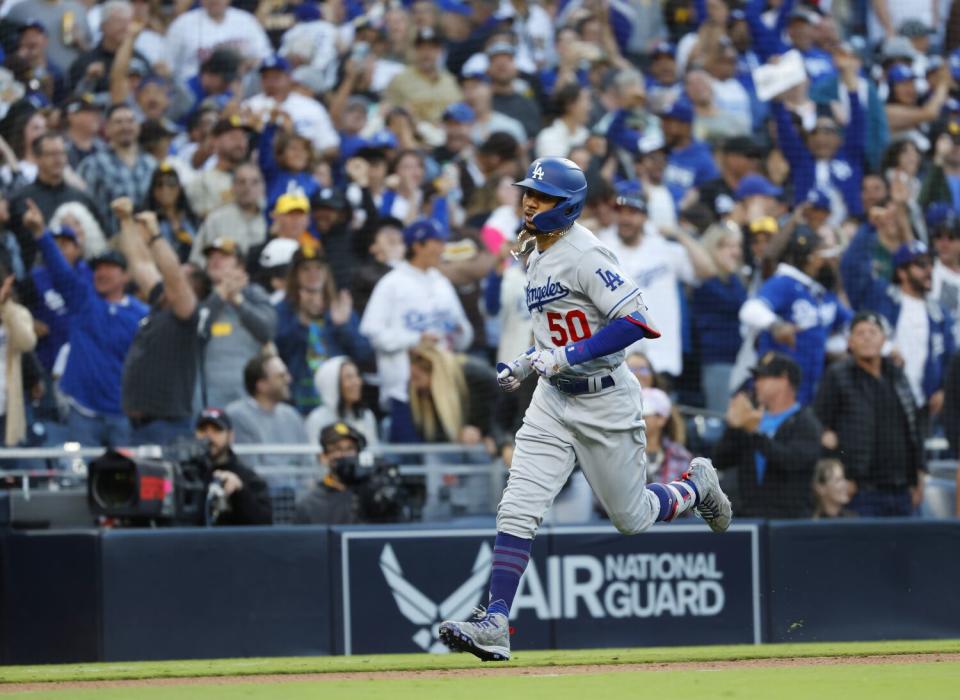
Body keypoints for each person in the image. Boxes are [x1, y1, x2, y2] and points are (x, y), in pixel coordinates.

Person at [438, 157, 731, 662]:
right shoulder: (534, 249)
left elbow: (637, 321)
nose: (530, 201)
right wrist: (529, 362)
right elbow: (558, 331)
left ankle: (694, 487)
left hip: (605, 398)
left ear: (567, 205)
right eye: (529, 192)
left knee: (631, 517)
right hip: (553, 400)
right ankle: (495, 622)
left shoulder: (585, 253)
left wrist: (564, 355)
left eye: (542, 196)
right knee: (517, 507)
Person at [25, 199, 147, 447]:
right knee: (80, 478)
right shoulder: (83, 300)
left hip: (122, 411)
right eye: (97, 268)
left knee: (122, 479)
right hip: (82, 410)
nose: (100, 273)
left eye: (109, 268)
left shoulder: (141, 314)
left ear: (125, 275)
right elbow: (61, 270)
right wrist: (41, 233)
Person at [813, 311, 925, 517]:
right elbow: (819, 427)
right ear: (850, 342)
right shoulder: (837, 375)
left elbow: (913, 426)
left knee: (908, 548)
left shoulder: (897, 375)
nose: (866, 337)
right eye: (860, 332)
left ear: (884, 340)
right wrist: (843, 477)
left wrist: (919, 473)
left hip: (902, 488)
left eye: (873, 332)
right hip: (861, 490)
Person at [359, 218, 473, 409]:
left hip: (444, 387)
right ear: (418, 246)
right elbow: (372, 333)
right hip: (403, 390)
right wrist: (415, 339)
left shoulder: (441, 283)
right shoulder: (391, 283)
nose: (441, 248)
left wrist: (459, 332)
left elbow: (463, 333)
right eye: (436, 242)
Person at [116, 200, 201, 447]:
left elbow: (172, 273)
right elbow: (140, 263)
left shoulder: (186, 315)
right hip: (139, 426)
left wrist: (155, 237)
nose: (167, 276)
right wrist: (126, 221)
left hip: (167, 428)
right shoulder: (160, 304)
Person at [714, 352, 823, 519]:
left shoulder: (805, 423)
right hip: (750, 517)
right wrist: (734, 427)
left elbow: (791, 461)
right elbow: (721, 461)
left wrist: (755, 434)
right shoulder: (751, 419)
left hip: (790, 522)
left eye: (762, 377)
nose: (756, 383)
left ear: (783, 380)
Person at [274, 249, 371, 415]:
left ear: (327, 272)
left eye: (319, 267)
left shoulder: (340, 307)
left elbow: (363, 354)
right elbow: (279, 355)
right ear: (295, 275)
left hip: (338, 398)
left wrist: (343, 326)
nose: (313, 273)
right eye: (306, 269)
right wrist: (302, 324)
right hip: (298, 397)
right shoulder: (282, 311)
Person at [199, 237, 277, 409]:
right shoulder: (201, 296)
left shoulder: (254, 294)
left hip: (249, 394)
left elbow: (267, 331)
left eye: (224, 256)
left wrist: (238, 301)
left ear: (240, 267)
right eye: (211, 257)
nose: (215, 261)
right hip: (210, 398)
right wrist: (219, 297)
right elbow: (197, 332)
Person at [9, 133, 104, 268]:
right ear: (37, 158)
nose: (58, 159)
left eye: (62, 153)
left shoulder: (81, 197)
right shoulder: (20, 200)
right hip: (37, 276)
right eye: (51, 154)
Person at [76, 103, 157, 231]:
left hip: (148, 236)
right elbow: (85, 206)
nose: (125, 127)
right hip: (111, 240)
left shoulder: (151, 163)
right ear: (107, 129)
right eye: (118, 122)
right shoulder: (93, 165)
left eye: (130, 121)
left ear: (138, 127)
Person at [225, 353, 310, 468]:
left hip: (298, 486)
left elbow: (307, 463)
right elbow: (249, 468)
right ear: (261, 385)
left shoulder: (292, 415)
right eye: (281, 376)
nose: (289, 379)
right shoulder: (237, 416)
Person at [194, 407, 273, 526]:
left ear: (230, 436)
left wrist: (240, 491)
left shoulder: (248, 478)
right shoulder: (186, 475)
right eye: (203, 430)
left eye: (216, 430)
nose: (209, 436)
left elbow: (264, 523)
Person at [188, 163, 267, 266]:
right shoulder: (216, 218)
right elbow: (197, 258)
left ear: (263, 187)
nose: (247, 187)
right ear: (233, 186)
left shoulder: (270, 218)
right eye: (242, 182)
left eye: (254, 182)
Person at [293, 421, 365, 525]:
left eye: (350, 448)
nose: (345, 455)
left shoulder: (370, 493)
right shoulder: (310, 503)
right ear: (323, 457)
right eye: (337, 449)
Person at [304, 356, 378, 449]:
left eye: (357, 376)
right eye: (349, 377)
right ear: (331, 383)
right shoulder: (317, 419)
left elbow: (374, 452)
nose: (357, 382)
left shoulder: (366, 415)